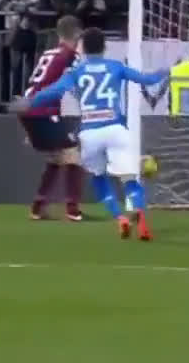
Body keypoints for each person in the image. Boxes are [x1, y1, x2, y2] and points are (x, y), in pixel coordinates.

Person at [10, 28, 169, 241]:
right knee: (130, 179)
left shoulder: (76, 72)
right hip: (116, 129)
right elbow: (147, 80)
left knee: (99, 179)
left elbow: (53, 92)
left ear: (83, 49)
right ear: (104, 47)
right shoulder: (116, 67)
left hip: (90, 133)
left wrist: (31, 102)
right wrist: (165, 71)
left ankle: (120, 218)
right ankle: (140, 216)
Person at [19, 15, 84, 221]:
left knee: (57, 156)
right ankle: (72, 209)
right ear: (77, 34)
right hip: (43, 111)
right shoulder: (70, 56)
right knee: (72, 154)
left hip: (28, 109)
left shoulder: (48, 53)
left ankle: (38, 207)